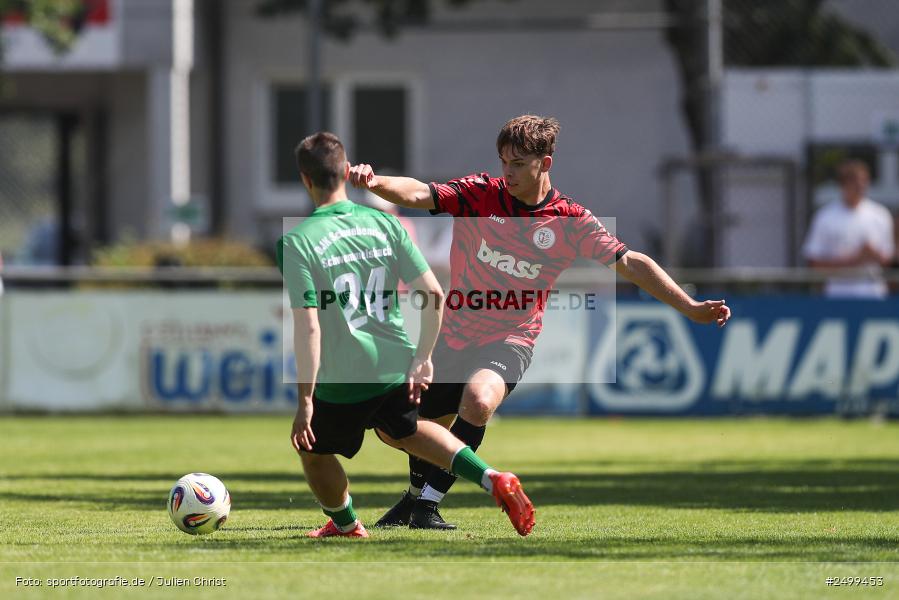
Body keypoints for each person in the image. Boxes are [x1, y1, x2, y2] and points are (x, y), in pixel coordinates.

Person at [348, 115, 732, 530]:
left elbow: (632, 263)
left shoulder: (568, 220)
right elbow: (420, 193)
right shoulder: (480, 194)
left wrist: (690, 306)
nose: (507, 173)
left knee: (478, 402)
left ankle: (427, 505)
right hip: (453, 333)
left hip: (510, 339)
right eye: (503, 162)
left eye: (517, 164)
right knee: (397, 428)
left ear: (544, 164)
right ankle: (414, 499)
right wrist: (375, 183)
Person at [277, 132, 535, 538]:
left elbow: (309, 324)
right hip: (395, 361)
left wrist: (305, 399)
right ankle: (492, 478)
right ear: (346, 173)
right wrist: (422, 357)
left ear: (305, 180)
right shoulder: (384, 222)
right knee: (411, 431)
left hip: (345, 376)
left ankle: (345, 525)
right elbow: (433, 293)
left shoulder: (298, 240)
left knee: (313, 450)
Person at [803, 160, 895, 298]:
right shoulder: (825, 217)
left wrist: (872, 254)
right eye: (854, 181)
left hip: (873, 293)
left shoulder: (880, 215)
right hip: (839, 294)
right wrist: (855, 259)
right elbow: (815, 262)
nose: (860, 186)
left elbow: (888, 259)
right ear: (843, 184)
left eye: (863, 181)